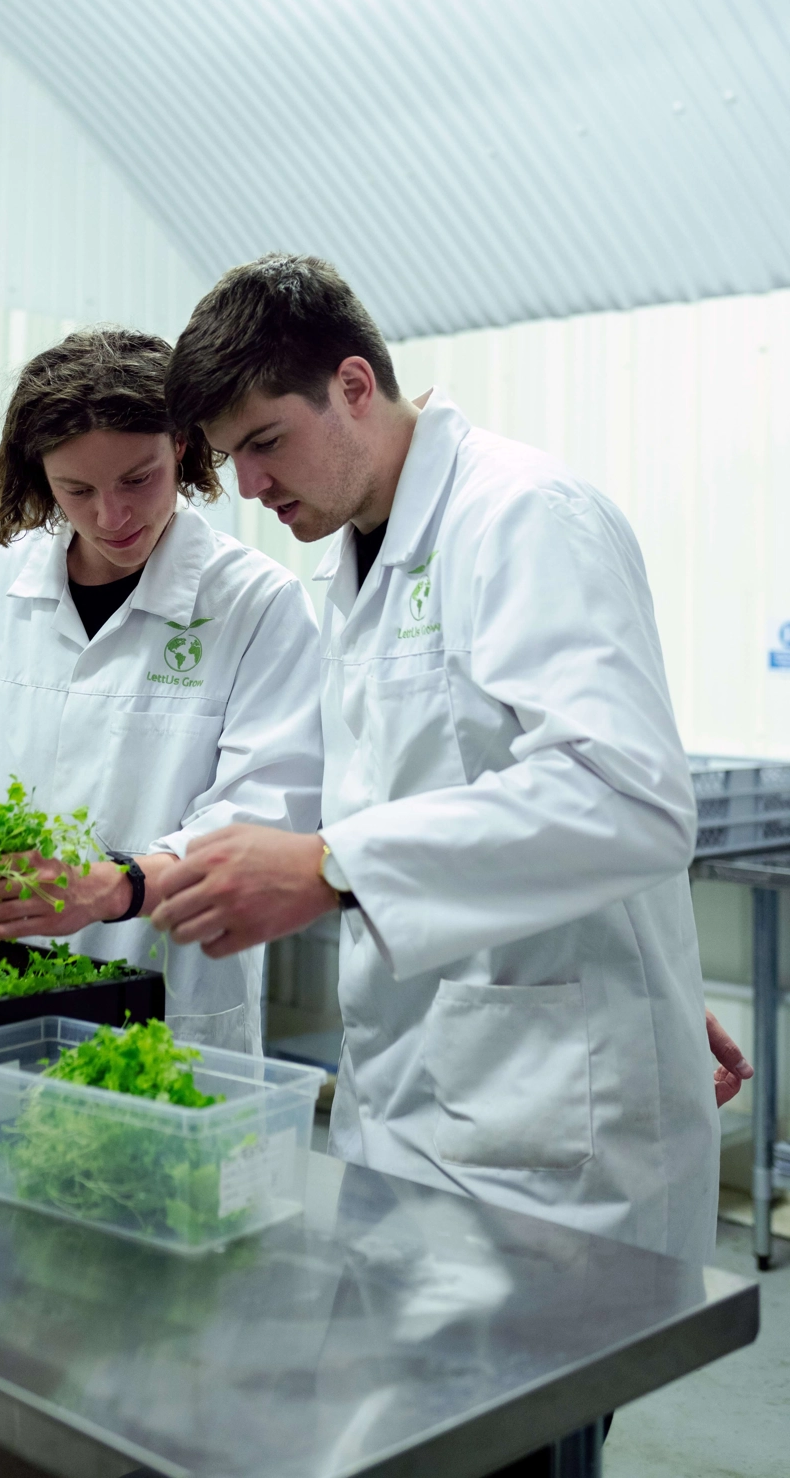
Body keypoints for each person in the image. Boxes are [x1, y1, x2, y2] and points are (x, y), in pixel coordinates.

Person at [151, 253, 734, 1268]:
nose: (247, 488)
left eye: (264, 443)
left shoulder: (522, 517)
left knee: (527, 1425)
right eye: (229, 456)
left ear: (351, 386)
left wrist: (332, 865)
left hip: (551, 1136)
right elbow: (444, 794)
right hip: (410, 1101)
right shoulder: (352, 569)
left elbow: (628, 797)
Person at [0, 327, 323, 1056]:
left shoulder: (257, 603)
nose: (111, 516)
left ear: (184, 450)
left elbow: (263, 814)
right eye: (78, 490)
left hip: (168, 1001)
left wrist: (119, 887)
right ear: (43, 479)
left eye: (138, 479)